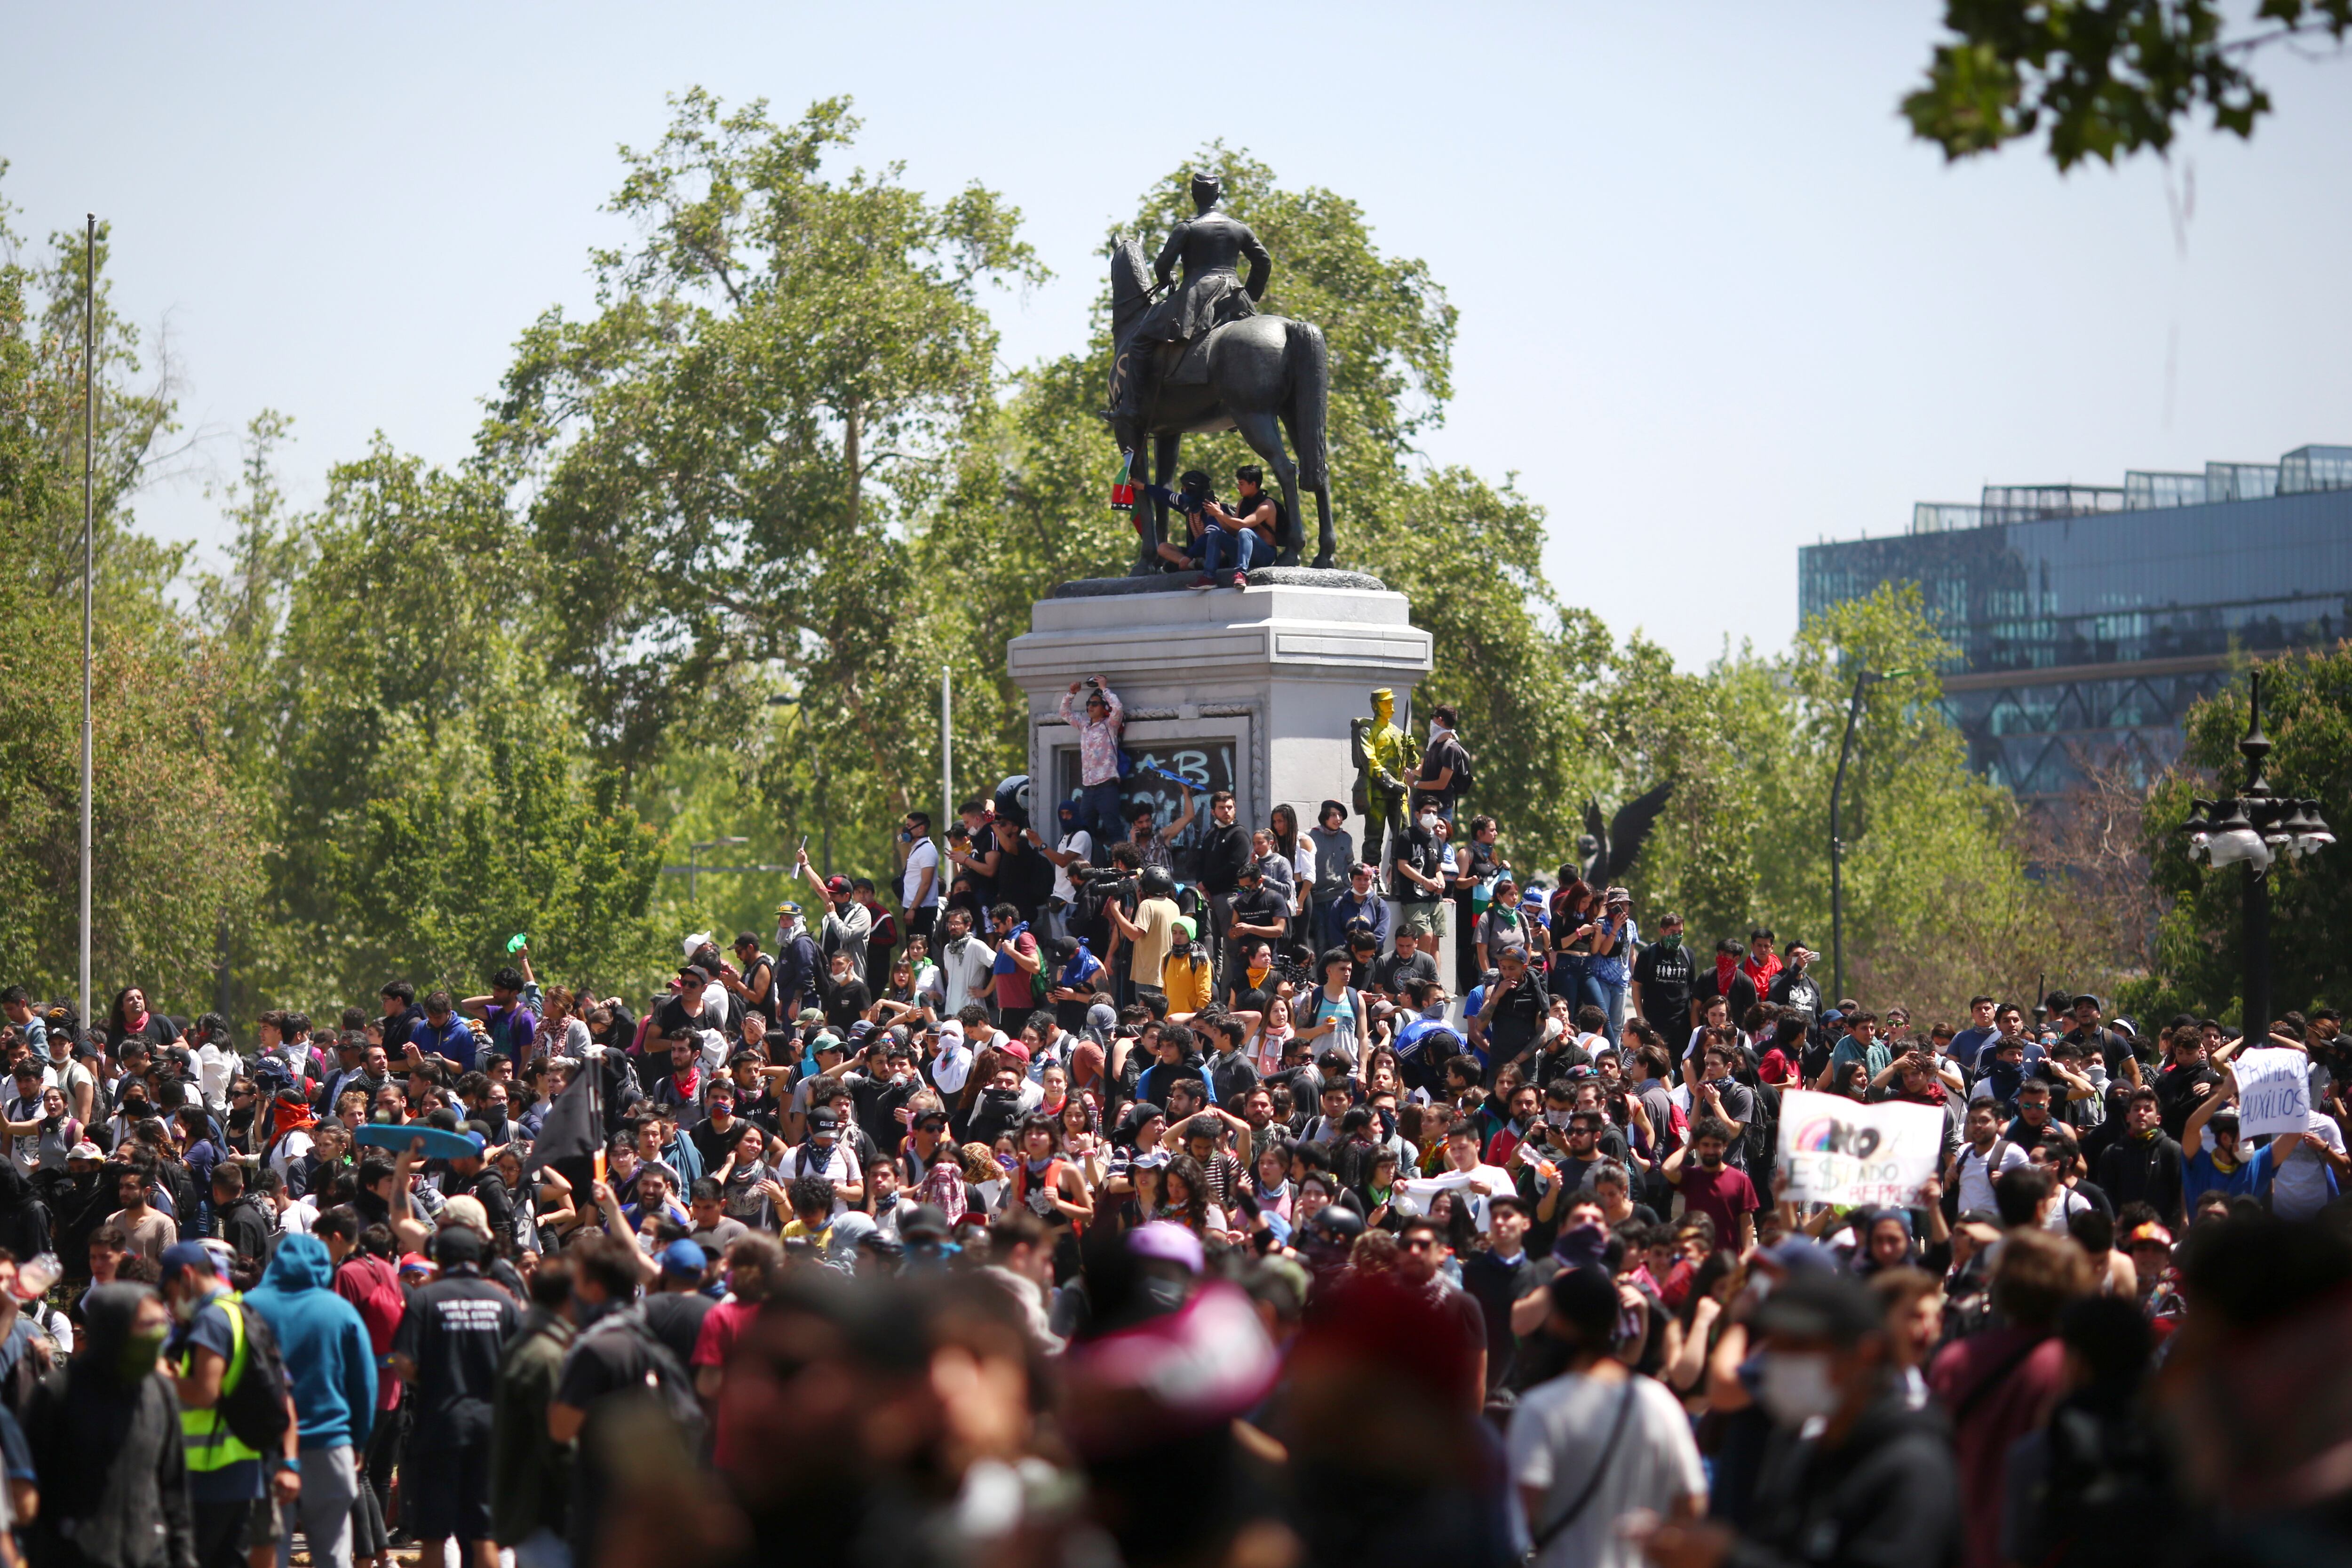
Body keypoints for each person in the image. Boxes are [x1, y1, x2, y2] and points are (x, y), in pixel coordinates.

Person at [1636, 1272, 1963, 1568]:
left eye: (1800, 1347)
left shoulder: (1913, 1466)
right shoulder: (1803, 1449)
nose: (1782, 1363)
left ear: (1866, 1353)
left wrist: (1730, 1558)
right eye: (1775, 1346)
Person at [1509, 1266, 1704, 1568]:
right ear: (1615, 1323)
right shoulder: (1660, 1402)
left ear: (1556, 1322)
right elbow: (1693, 1506)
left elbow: (1519, 1514)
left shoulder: (1541, 1409)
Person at [24, 1283, 196, 1568]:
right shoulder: (60, 1392)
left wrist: (183, 1556)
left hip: (147, 1555)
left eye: (161, 1324)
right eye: (148, 1325)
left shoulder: (159, 1393)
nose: (160, 1335)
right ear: (113, 1329)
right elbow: (35, 1486)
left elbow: (174, 1488)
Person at [159, 1242, 301, 1568]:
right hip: (244, 1470)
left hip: (207, 1473)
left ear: (185, 1276)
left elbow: (205, 1392)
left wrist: (163, 1376)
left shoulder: (210, 1319)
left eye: (168, 1292)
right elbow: (283, 1391)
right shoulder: (242, 1311)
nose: (169, 1303)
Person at [388, 1225, 518, 1568]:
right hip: (492, 1428)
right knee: (484, 1534)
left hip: (440, 1426)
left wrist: (430, 1381)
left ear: (438, 1260)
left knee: (435, 1536)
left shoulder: (427, 1299)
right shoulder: (502, 1300)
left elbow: (402, 1360)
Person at [242, 1234, 375, 1568]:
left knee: (270, 1550)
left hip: (264, 1450)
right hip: (331, 1444)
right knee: (333, 1552)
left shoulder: (249, 1308)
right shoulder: (340, 1310)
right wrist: (357, 1439)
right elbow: (364, 1384)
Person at [490, 1257, 575, 1568]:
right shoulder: (547, 1355)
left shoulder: (529, 1343)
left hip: (528, 1509)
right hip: (544, 1514)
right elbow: (559, 1441)